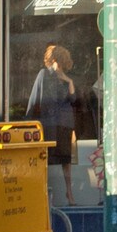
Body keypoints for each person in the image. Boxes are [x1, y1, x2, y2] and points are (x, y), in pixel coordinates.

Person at [24, 44, 77, 204]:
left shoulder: (65, 79)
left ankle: (69, 192)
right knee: (44, 158)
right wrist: (30, 122)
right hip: (48, 124)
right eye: (58, 62)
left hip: (62, 124)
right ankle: (43, 193)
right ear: (53, 60)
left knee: (65, 159)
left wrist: (68, 81)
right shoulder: (44, 74)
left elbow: (74, 100)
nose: (59, 66)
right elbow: (36, 99)